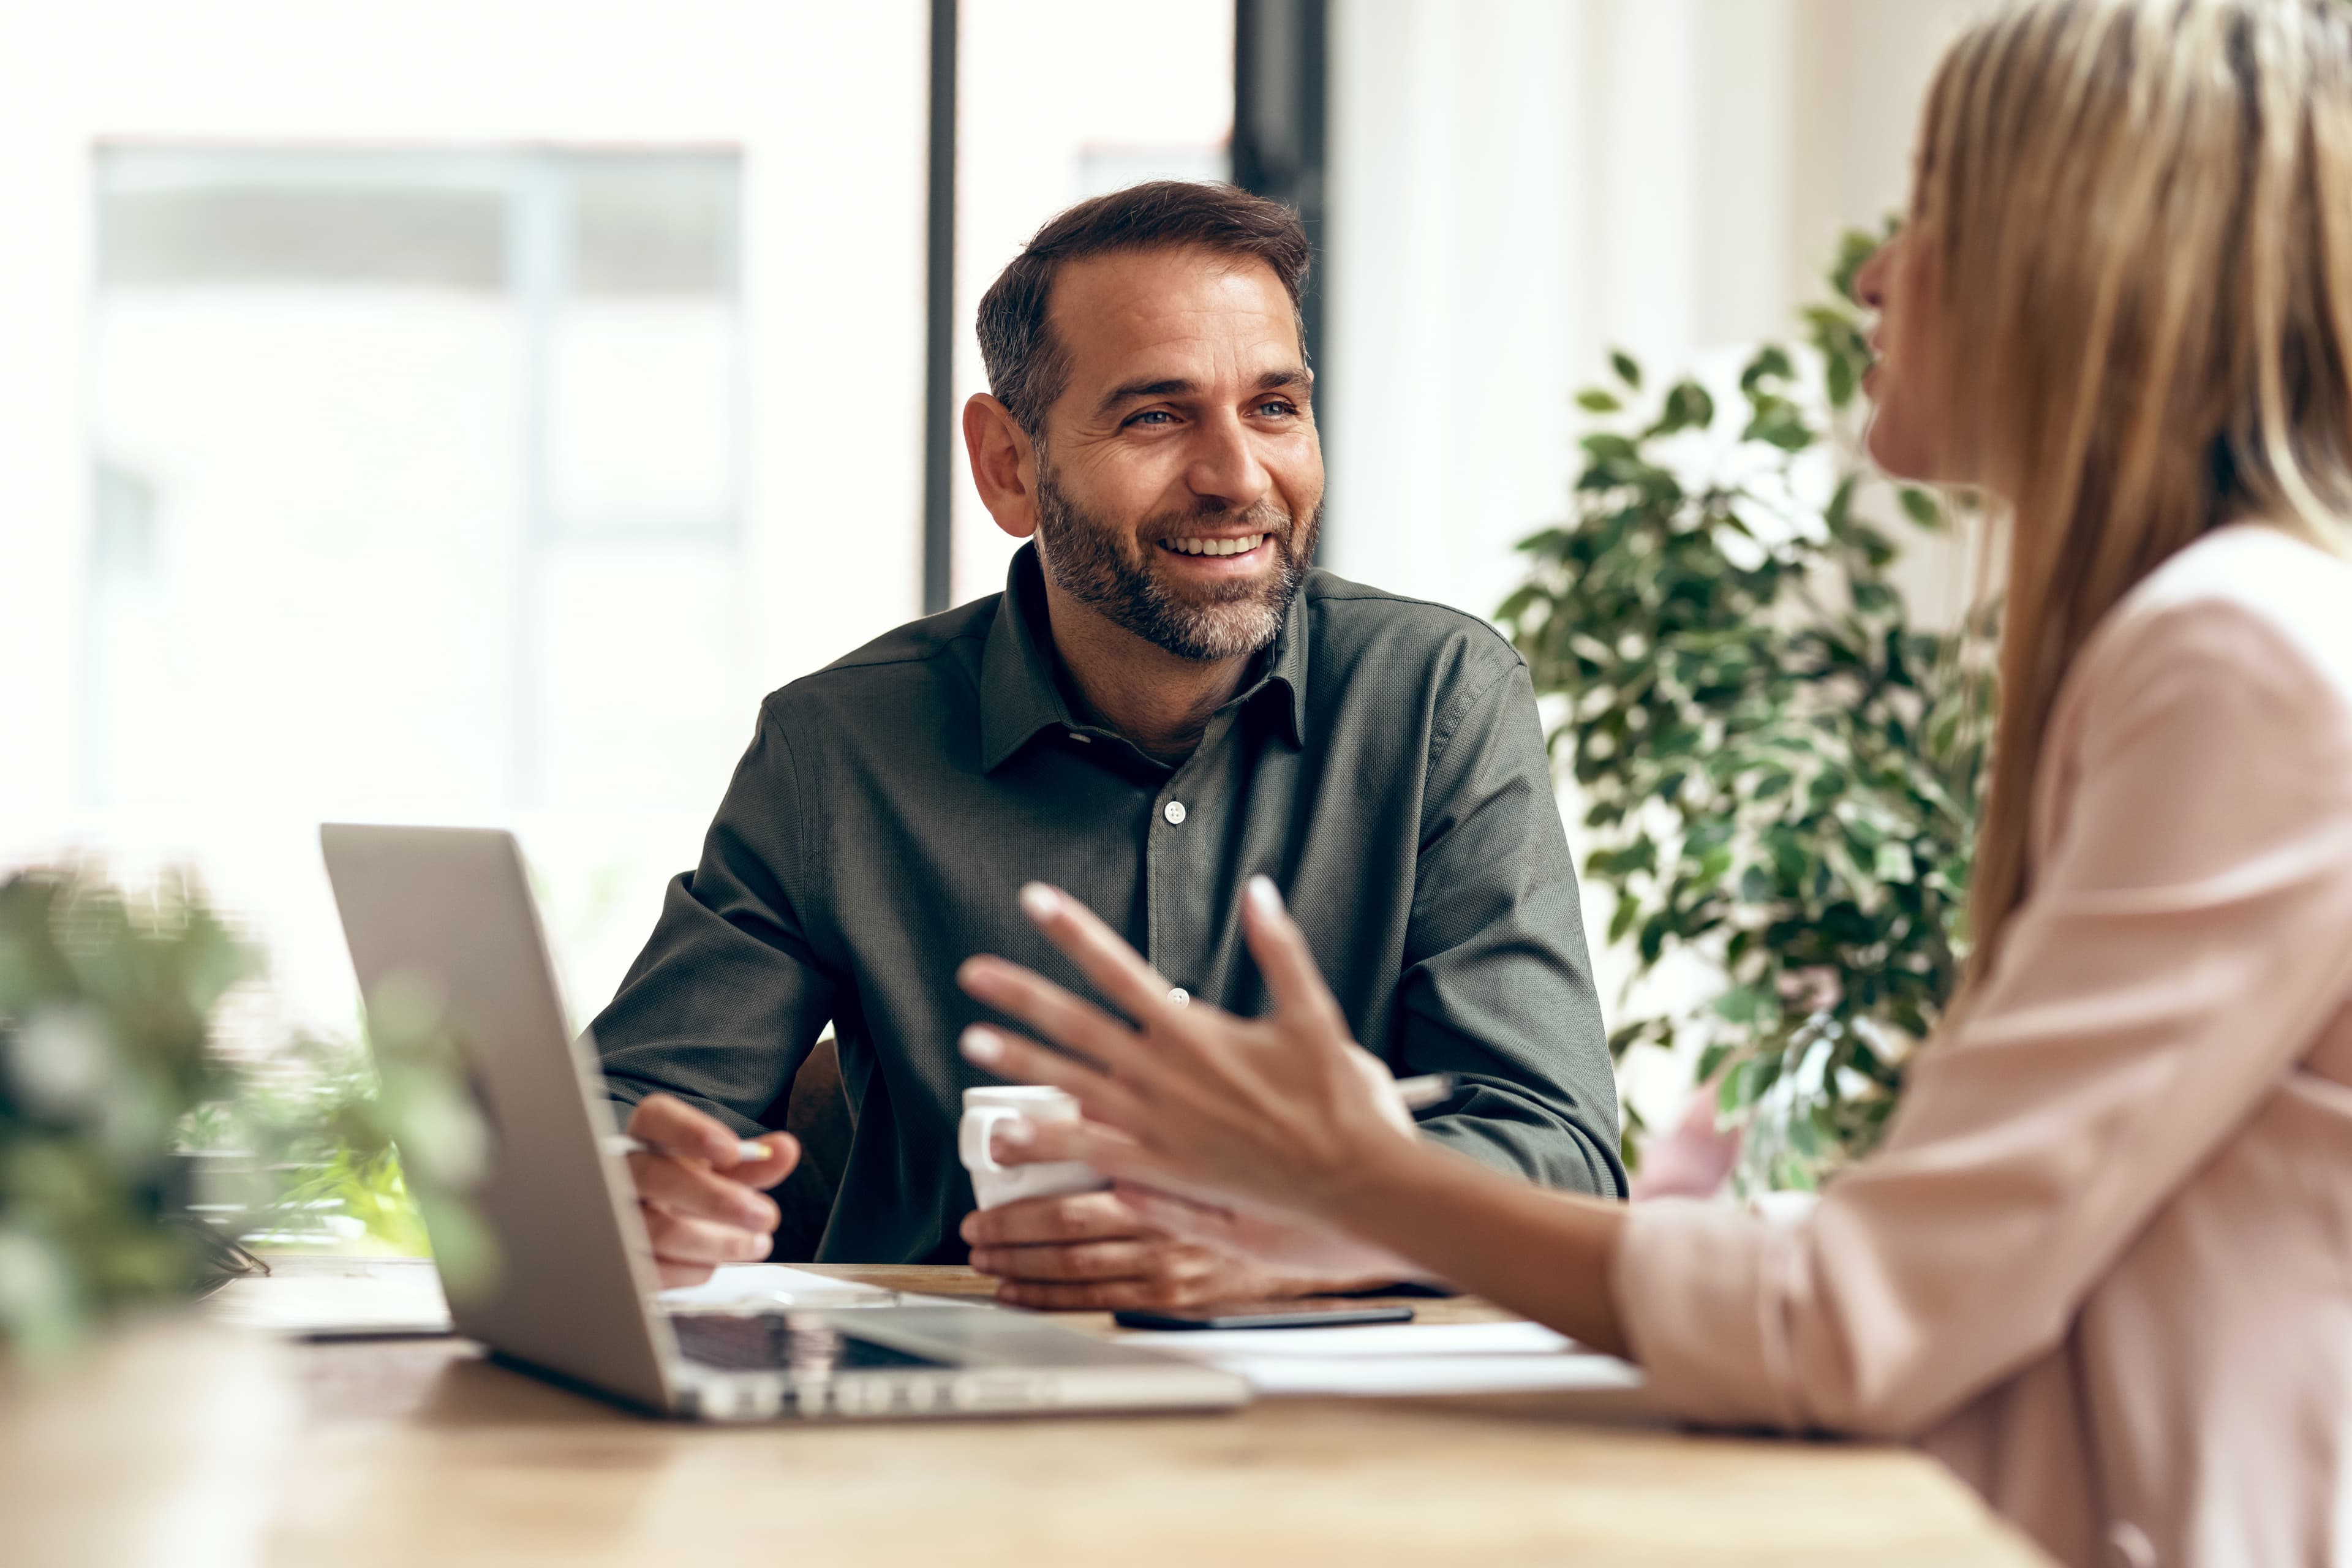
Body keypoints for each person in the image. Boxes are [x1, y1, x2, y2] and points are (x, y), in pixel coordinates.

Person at [949, 1, 2352, 1561]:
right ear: (1009, 461)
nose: (1877, 275)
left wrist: (1361, 1179)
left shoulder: (2244, 656)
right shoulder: (2221, 637)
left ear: (2095, 261)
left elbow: (1855, 1317)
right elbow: (1938, 1280)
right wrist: (1351, 1203)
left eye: (1937, 211)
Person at [590, 180, 1623, 1309]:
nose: (1238, 478)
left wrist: (1297, 1234)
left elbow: (1559, 1155)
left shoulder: (1438, 701)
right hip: (936, 1407)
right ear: (1009, 466)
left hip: (1327, 1421)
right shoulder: (836, 747)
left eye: (1275, 407)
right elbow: (623, 1110)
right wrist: (642, 1192)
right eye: (1156, 417)